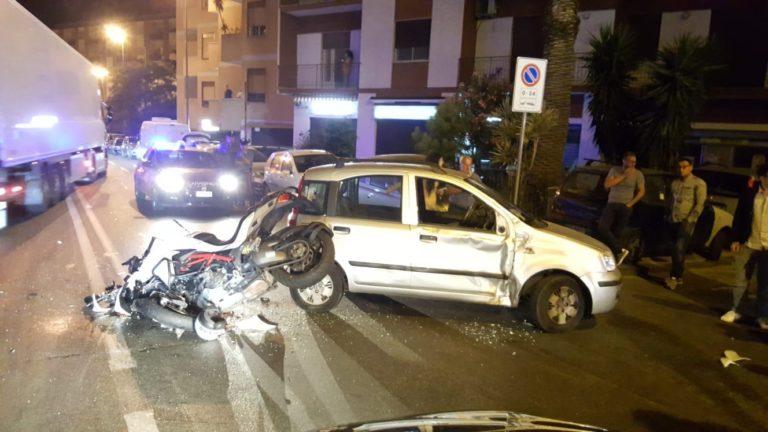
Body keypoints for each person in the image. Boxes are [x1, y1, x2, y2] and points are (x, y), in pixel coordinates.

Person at [721, 164, 768, 330]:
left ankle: (762, 316)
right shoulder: (750, 194)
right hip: (749, 242)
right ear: (761, 177)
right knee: (741, 279)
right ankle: (735, 310)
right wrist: (735, 239)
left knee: (765, 283)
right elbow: (740, 215)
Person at [664, 157, 707, 290]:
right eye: (680, 167)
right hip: (673, 219)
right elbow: (671, 200)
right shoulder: (675, 183)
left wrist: (690, 219)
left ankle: (674, 276)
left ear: (691, 167)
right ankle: (679, 274)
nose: (681, 169)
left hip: (686, 221)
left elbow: (700, 204)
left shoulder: (698, 183)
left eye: (684, 167)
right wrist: (667, 214)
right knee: (676, 250)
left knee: (679, 247)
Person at [598, 151, 646, 265]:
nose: (632, 164)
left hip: (625, 206)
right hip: (612, 203)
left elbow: (642, 191)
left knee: (617, 233)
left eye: (634, 162)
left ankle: (613, 258)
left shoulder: (638, 174)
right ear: (624, 161)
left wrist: (630, 204)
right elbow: (607, 185)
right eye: (630, 161)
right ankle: (620, 250)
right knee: (602, 228)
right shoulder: (615, 170)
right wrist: (624, 176)